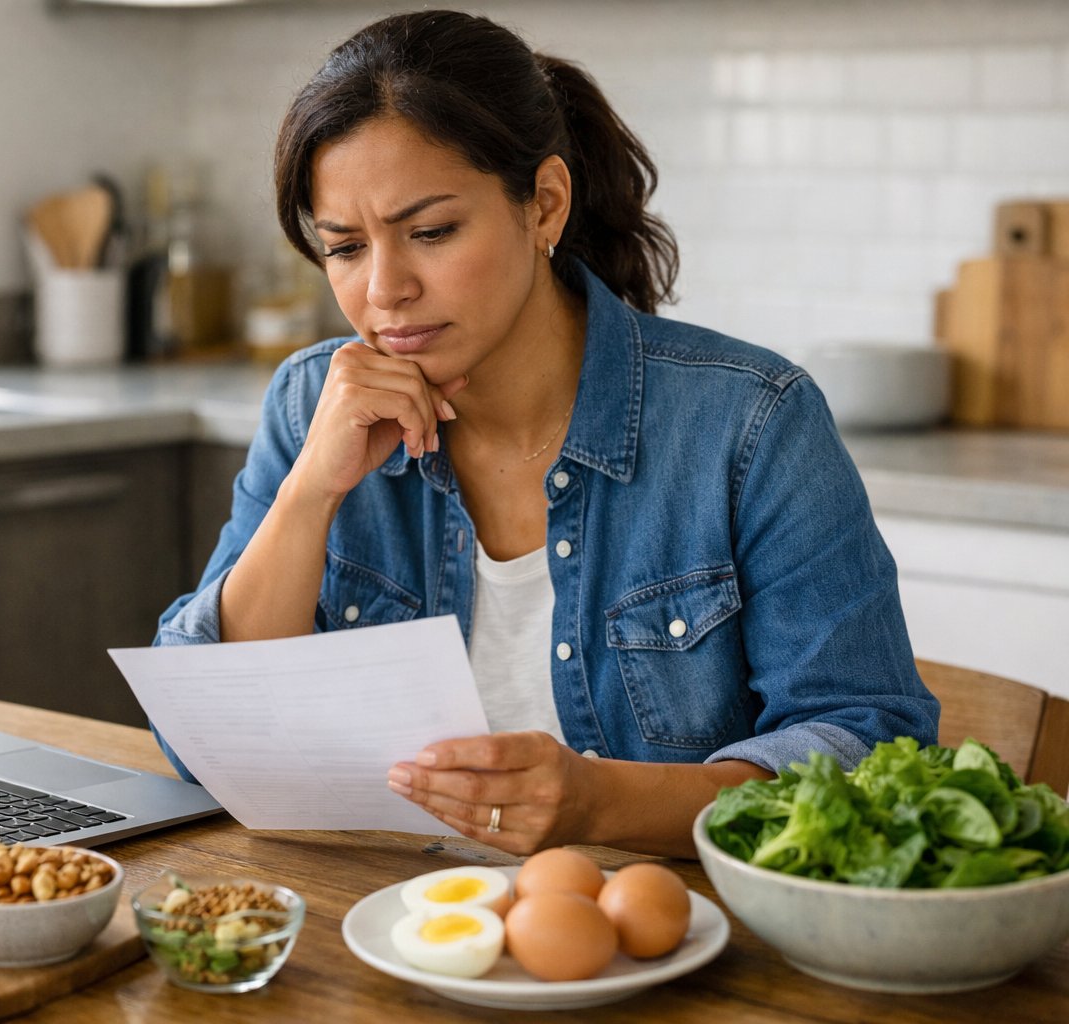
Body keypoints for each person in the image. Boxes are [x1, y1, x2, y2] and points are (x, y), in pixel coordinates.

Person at [154, 9, 938, 859]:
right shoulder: (314, 403)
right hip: (381, 930)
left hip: (680, 940)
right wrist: (311, 493)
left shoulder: (749, 422)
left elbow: (867, 747)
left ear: (544, 206)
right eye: (344, 247)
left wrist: (600, 803)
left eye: (431, 232)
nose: (384, 290)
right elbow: (203, 741)